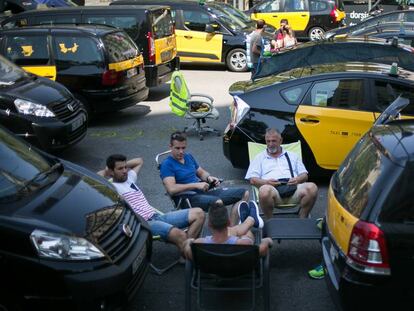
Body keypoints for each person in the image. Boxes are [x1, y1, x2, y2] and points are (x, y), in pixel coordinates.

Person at [98, 154, 205, 254]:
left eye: (125, 167)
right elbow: (96, 178)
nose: (125, 171)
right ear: (111, 171)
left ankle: (185, 252)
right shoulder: (111, 187)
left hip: (157, 216)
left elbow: (139, 161)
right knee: (180, 234)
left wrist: (121, 166)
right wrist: (107, 170)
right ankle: (192, 257)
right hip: (144, 223)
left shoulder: (129, 178)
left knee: (199, 213)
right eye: (120, 169)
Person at [160, 131, 249, 224]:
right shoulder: (167, 164)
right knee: (217, 203)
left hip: (204, 192)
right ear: (170, 147)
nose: (181, 151)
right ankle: (222, 232)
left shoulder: (188, 157)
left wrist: (209, 178)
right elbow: (171, 189)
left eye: (183, 148)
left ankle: (232, 229)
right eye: (177, 148)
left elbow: (201, 172)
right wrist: (195, 185)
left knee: (244, 193)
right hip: (187, 198)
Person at [245, 128, 318, 219]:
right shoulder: (259, 157)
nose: (270, 144)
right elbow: (252, 179)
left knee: (312, 187)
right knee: (264, 190)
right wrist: (266, 182)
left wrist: (297, 179)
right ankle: (270, 221)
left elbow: (304, 175)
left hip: (293, 188)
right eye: (268, 141)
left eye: (274, 141)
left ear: (280, 140)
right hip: (272, 191)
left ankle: (303, 217)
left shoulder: (292, 155)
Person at [183, 202, 273, 260]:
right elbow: (263, 249)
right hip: (238, 271)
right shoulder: (245, 244)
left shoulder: (199, 245)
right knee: (246, 233)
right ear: (229, 222)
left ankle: (248, 220)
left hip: (211, 271)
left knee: (189, 242)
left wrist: (189, 241)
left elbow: (188, 251)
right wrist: (266, 241)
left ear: (209, 225)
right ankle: (250, 220)